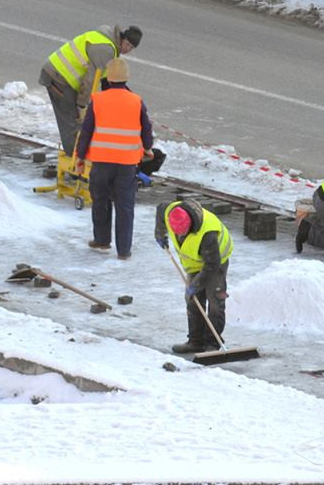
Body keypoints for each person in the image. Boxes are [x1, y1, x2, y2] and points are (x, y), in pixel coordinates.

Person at [74, 57, 153, 260]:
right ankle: (124, 250)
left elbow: (86, 131)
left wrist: (80, 157)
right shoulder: (136, 100)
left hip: (101, 161)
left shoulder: (97, 100)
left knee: (100, 200)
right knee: (125, 206)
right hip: (126, 163)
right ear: (126, 79)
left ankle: (101, 240)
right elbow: (146, 128)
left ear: (108, 78)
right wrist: (148, 148)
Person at [39, 24, 142, 154]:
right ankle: (75, 162)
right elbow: (91, 80)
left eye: (132, 48)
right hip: (58, 77)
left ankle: (79, 156)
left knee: (79, 121)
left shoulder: (109, 42)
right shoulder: (106, 49)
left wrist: (124, 97)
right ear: (124, 40)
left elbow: (106, 79)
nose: (128, 50)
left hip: (62, 76)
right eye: (129, 46)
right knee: (73, 122)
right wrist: (82, 104)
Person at [155, 199, 233, 354]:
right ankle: (196, 341)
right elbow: (159, 209)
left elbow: (212, 265)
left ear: (190, 225)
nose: (179, 236)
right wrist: (159, 233)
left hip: (216, 262)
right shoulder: (168, 210)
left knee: (215, 301)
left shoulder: (207, 233)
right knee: (192, 300)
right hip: (194, 262)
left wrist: (195, 285)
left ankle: (213, 343)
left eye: (183, 233)